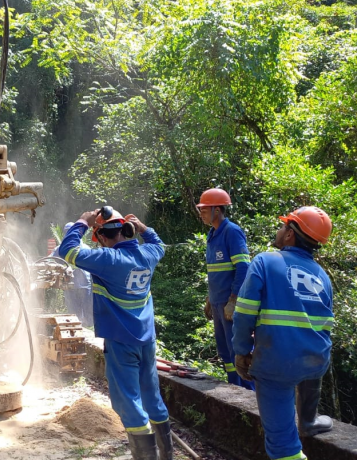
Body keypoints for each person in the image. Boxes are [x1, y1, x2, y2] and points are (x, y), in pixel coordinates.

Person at [59, 208, 172, 460]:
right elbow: (159, 243)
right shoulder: (148, 254)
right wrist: (143, 227)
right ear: (127, 230)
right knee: (152, 398)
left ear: (102, 236)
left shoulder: (108, 260)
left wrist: (81, 222)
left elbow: (67, 251)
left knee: (128, 403)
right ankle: (167, 455)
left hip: (121, 341)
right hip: (146, 339)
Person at [232, 206, 335, 460]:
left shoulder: (266, 261)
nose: (279, 231)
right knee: (308, 364)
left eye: (283, 227)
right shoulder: (323, 276)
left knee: (282, 445)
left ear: (290, 234)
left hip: (276, 362)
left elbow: (244, 312)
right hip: (316, 361)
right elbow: (322, 325)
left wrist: (242, 352)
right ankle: (308, 422)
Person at [196, 188, 254, 390]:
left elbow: (243, 267)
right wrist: (210, 298)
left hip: (230, 304)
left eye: (205, 209)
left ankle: (249, 397)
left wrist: (234, 299)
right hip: (218, 301)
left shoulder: (232, 232)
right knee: (225, 352)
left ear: (218, 210)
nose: (201, 213)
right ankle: (233, 390)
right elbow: (216, 272)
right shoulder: (212, 234)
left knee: (237, 350)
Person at [59, 222, 94, 327]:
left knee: (87, 311)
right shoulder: (61, 249)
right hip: (69, 286)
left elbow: (92, 267)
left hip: (84, 284)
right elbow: (51, 260)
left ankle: (88, 331)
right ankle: (76, 328)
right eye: (66, 232)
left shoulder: (86, 248)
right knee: (73, 312)